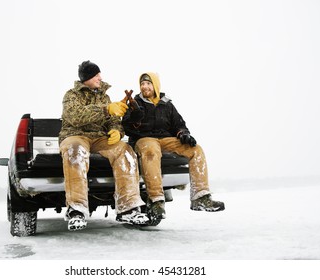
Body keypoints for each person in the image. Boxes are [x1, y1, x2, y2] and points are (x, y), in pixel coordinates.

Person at [122, 72, 225, 224]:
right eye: (142, 84)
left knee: (196, 150)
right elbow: (126, 126)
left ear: (155, 85)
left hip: (166, 139)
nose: (145, 87)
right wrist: (134, 117)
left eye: (148, 84)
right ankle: (156, 200)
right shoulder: (135, 103)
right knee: (151, 151)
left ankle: (200, 197)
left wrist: (183, 134)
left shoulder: (167, 104)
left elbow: (179, 124)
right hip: (144, 139)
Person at [58, 61, 148, 231]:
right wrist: (106, 110)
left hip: (99, 138)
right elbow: (76, 116)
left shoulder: (104, 97)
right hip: (75, 136)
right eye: (96, 74)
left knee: (125, 151)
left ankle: (128, 207)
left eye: (99, 74)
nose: (100, 77)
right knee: (75, 151)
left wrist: (116, 130)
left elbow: (113, 119)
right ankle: (76, 209)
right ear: (87, 78)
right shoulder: (71, 95)